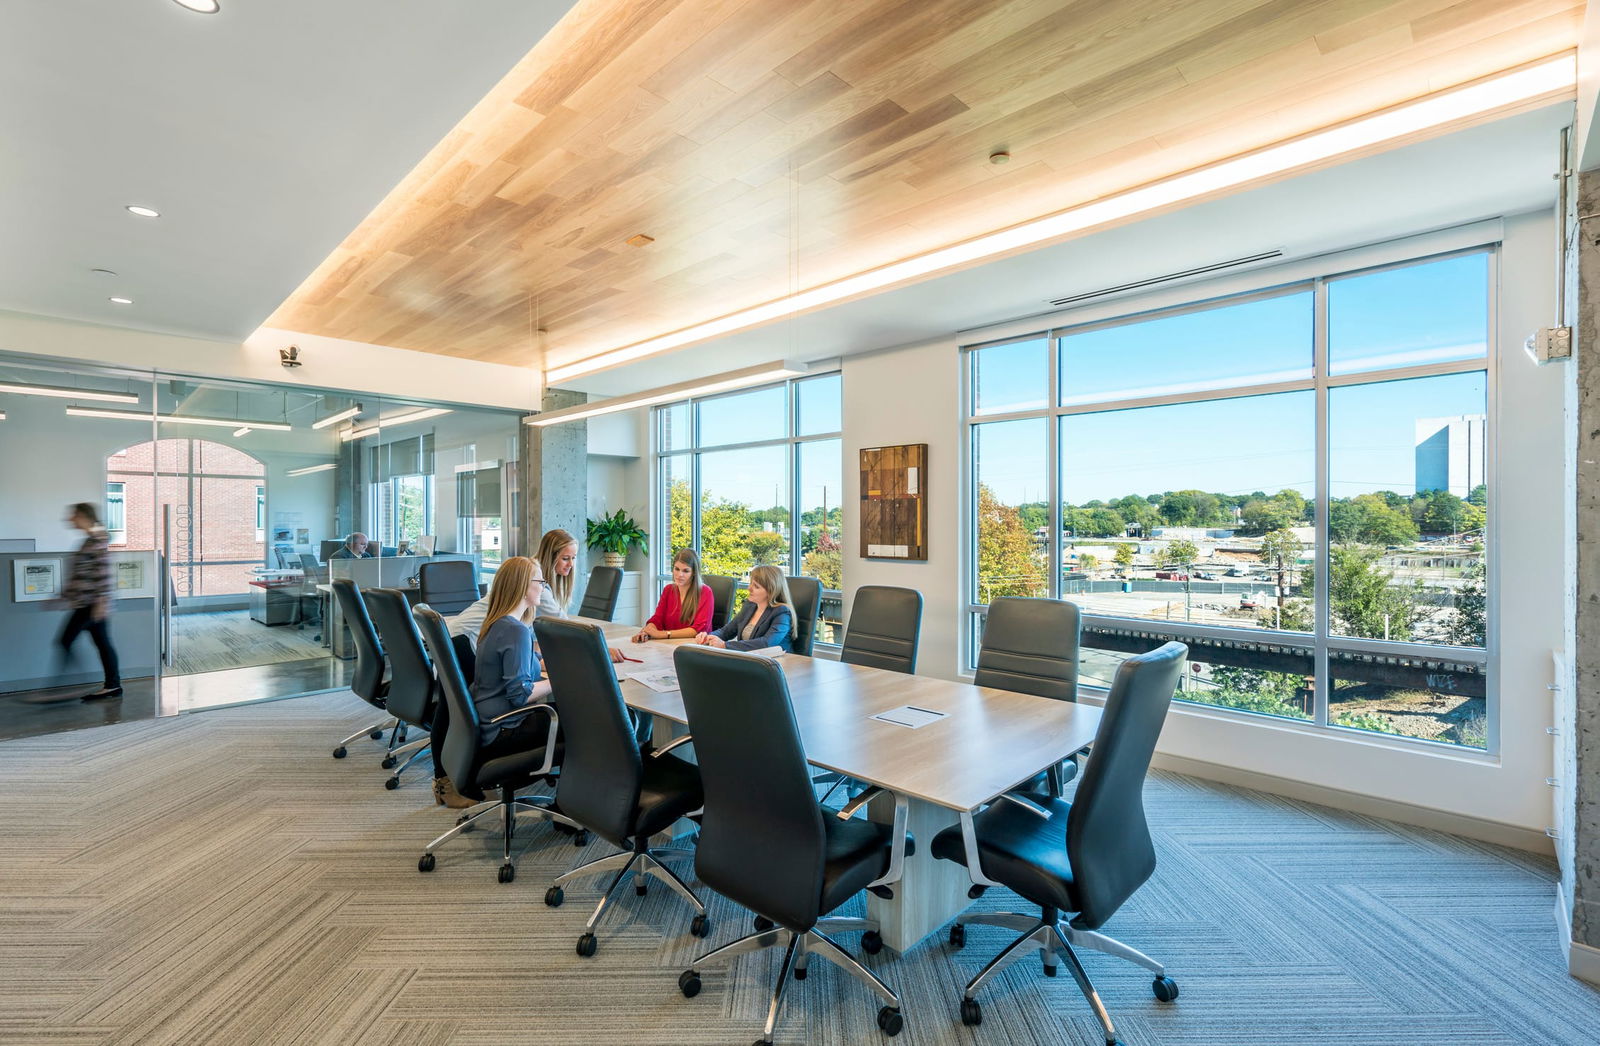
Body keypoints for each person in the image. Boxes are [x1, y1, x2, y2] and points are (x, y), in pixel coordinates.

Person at [432, 556, 547, 809]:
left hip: (486, 722)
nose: (543, 587)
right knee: (576, 725)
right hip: (503, 728)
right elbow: (520, 694)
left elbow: (520, 661)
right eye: (540, 582)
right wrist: (560, 681)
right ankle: (570, 807)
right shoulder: (515, 631)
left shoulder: (498, 623)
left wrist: (547, 661)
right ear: (523, 585)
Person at [56, 503, 122, 700]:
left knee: (65, 640)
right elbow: (82, 574)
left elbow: (103, 573)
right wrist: (64, 596)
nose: (70, 519)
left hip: (91, 604)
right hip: (88, 603)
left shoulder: (96, 539)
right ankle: (112, 686)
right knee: (102, 643)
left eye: (74, 515)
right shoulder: (91, 539)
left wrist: (101, 602)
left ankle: (68, 685)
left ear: (84, 516)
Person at [695, 564, 793, 653]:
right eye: (751, 583)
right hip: (749, 660)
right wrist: (708, 636)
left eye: (756, 586)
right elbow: (726, 631)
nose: (749, 588)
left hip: (777, 663)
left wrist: (725, 645)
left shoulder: (782, 612)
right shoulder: (750, 606)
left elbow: (766, 643)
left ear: (771, 591)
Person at [633, 548, 713, 642]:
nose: (680, 575)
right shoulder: (668, 590)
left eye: (686, 571)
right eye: (677, 569)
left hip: (693, 646)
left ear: (694, 573)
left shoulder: (705, 592)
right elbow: (658, 618)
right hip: (668, 644)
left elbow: (699, 628)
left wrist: (663, 634)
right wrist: (648, 631)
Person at [534, 528, 579, 618]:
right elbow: (561, 620)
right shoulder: (538, 584)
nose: (571, 564)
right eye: (565, 558)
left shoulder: (555, 577)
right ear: (550, 557)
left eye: (573, 558)